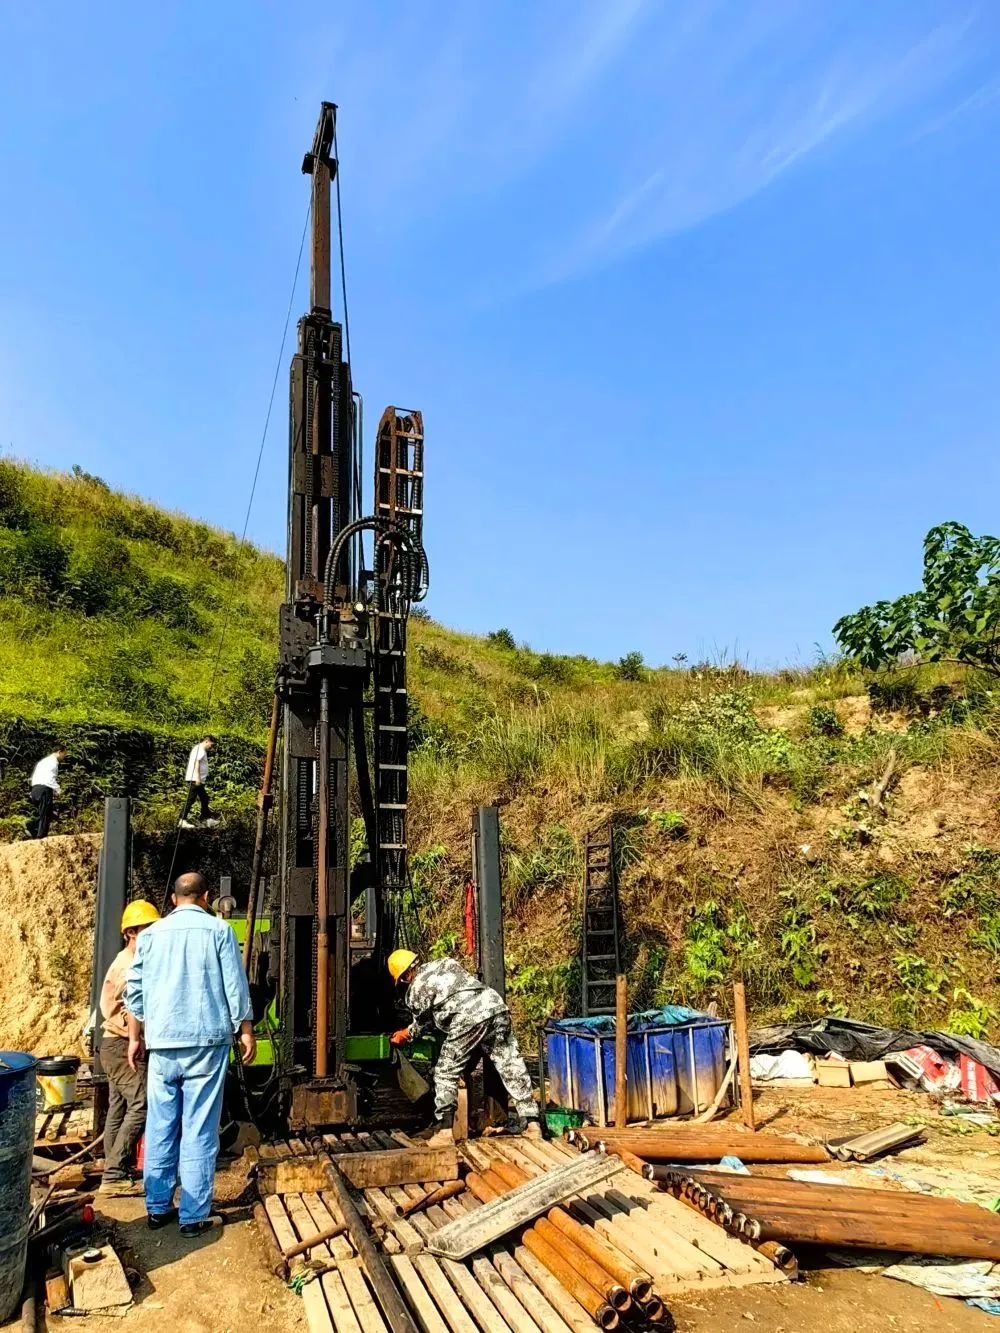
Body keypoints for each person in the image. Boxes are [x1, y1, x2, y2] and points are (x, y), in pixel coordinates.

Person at [124, 872, 255, 1237]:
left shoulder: (150, 936)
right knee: (199, 1127)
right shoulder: (219, 931)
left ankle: (157, 1208)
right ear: (207, 897)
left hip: (162, 1044)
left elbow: (134, 990)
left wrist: (139, 1034)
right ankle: (194, 1215)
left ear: (173, 900)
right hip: (206, 1043)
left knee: (161, 1124)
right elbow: (234, 984)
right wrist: (245, 1028)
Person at [388, 949, 541, 1146]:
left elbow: (423, 1022)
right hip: (495, 1007)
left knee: (445, 1071)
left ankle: (444, 1132)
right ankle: (532, 1124)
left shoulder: (415, 989)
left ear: (404, 977)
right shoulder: (445, 963)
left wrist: (406, 1034)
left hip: (468, 1019)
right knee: (510, 1064)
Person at [98, 899, 161, 1197]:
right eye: (145, 929)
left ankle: (113, 1167)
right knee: (141, 1104)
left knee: (120, 1106)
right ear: (130, 933)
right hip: (121, 1044)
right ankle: (113, 1175)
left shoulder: (128, 960)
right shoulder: (128, 966)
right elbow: (134, 1010)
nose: (152, 934)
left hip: (113, 1044)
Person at [179, 735, 219, 829]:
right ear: (207, 741)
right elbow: (196, 763)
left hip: (197, 779)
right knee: (190, 799)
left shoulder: (200, 749)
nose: (211, 747)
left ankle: (206, 819)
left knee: (204, 798)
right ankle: (182, 821)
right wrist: (197, 778)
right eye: (211, 745)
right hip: (195, 779)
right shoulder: (200, 749)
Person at [29, 748, 67, 838]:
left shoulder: (43, 761)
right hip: (44, 789)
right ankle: (41, 837)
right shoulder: (53, 763)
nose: (64, 757)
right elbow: (50, 779)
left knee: (38, 814)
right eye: (64, 754)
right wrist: (58, 790)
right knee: (45, 814)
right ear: (59, 752)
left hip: (35, 788)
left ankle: (33, 834)